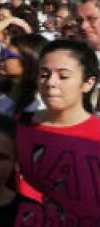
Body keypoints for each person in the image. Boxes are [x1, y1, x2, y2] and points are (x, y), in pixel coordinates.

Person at [16, 39, 100, 201]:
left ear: (88, 83)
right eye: (44, 74)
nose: (50, 83)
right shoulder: (16, 127)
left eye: (63, 76)